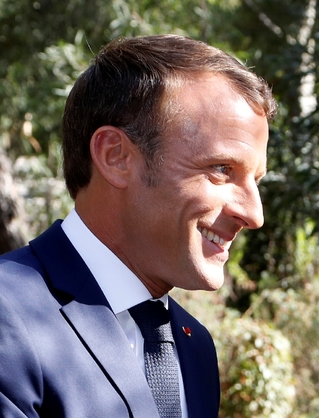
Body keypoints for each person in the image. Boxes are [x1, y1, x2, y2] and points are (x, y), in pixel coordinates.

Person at [0, 34, 276, 418]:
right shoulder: (8, 313)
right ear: (116, 157)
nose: (254, 214)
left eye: (256, 180)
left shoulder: (194, 348)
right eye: (221, 169)